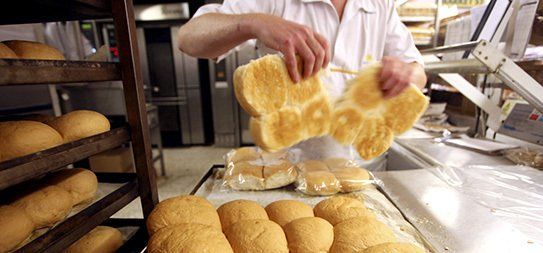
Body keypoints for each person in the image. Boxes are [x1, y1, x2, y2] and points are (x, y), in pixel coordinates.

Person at [177, 0, 427, 167]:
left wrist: (406, 73)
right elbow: (189, 38)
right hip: (289, 167)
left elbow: (418, 72)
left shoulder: (379, 4)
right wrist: (254, 23)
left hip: (363, 166)